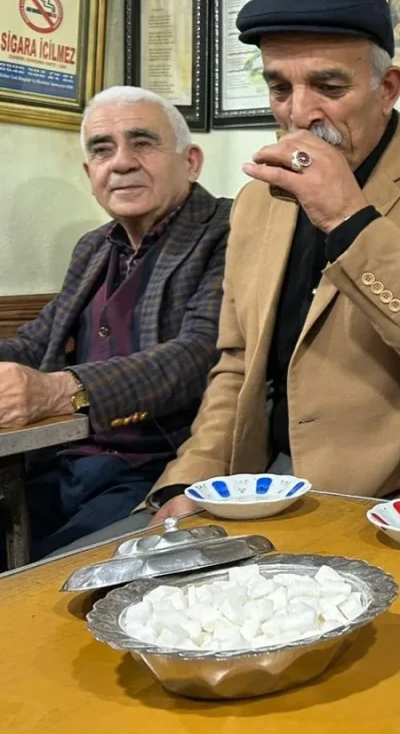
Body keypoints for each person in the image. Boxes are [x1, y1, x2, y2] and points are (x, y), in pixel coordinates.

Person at [141, 0, 400, 525]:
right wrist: (192, 479)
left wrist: (349, 219)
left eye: (328, 86)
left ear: (387, 88)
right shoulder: (256, 201)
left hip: (397, 502)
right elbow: (237, 364)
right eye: (280, 88)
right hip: (262, 485)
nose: (299, 114)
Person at [0, 88, 230, 561]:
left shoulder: (230, 229)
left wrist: (60, 391)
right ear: (90, 174)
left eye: (142, 143)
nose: (121, 162)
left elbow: (200, 352)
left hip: (158, 471)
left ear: (191, 162)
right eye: (103, 150)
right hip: (61, 463)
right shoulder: (94, 246)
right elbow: (34, 343)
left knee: (40, 582)